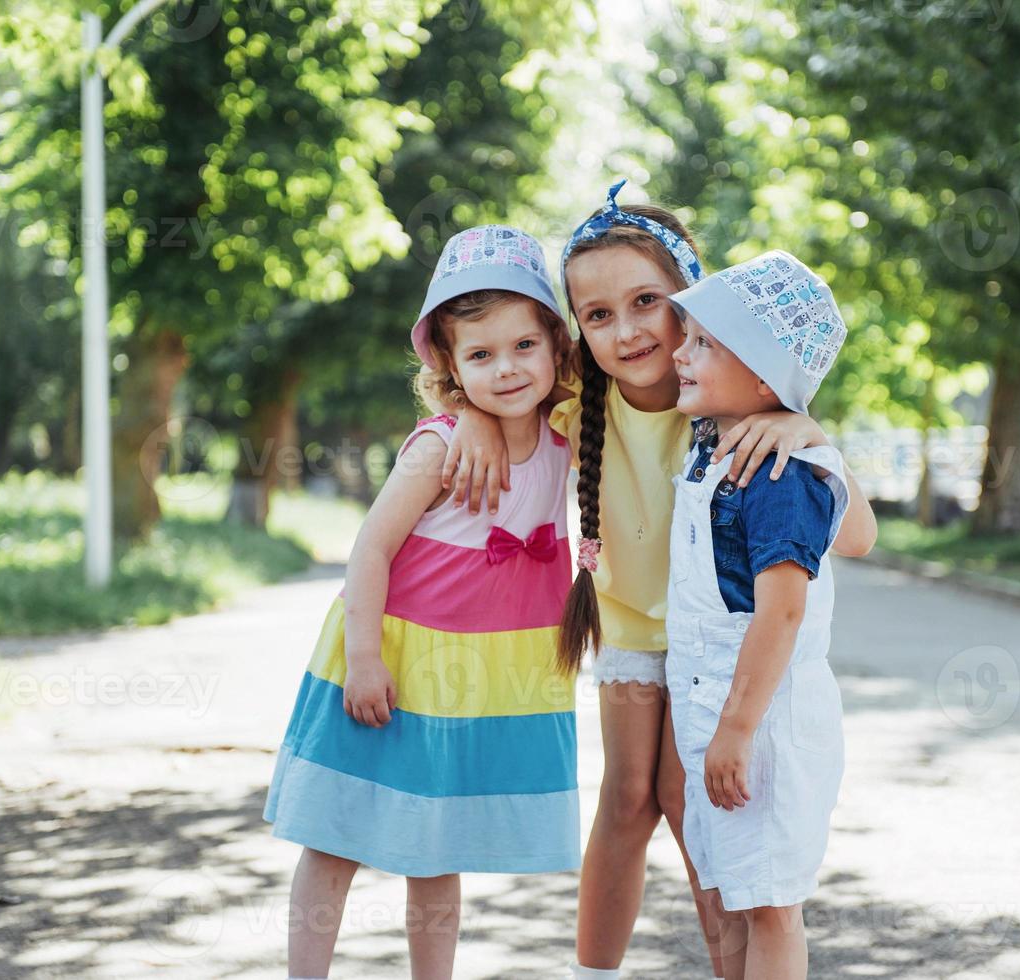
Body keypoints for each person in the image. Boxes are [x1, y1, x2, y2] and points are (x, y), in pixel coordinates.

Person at [442, 181, 878, 979]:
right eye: (597, 315)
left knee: (695, 802)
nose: (627, 330)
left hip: (717, 650)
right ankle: (592, 973)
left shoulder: (730, 401)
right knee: (626, 801)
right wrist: (472, 415)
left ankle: (731, 965)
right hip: (633, 639)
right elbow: (490, 391)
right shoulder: (575, 408)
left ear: (694, 303)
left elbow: (854, 535)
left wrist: (802, 425)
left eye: (647, 301)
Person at [263, 224, 581, 980]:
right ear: (448, 364)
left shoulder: (568, 435)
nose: (505, 370)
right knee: (336, 832)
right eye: (479, 356)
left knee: (438, 842)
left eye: (522, 347)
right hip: (394, 658)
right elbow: (370, 548)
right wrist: (365, 661)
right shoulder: (438, 448)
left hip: (478, 677)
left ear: (556, 347)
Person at [665, 250, 853, 979]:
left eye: (703, 342)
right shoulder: (716, 444)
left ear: (764, 378)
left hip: (760, 719)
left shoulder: (778, 470)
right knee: (741, 897)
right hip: (719, 707)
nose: (678, 352)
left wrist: (735, 730)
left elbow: (780, 613)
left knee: (771, 905)